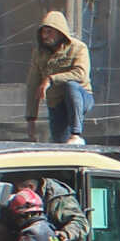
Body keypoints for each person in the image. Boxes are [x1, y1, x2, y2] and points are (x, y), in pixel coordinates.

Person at [26, 9, 93, 146]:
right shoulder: (39, 54)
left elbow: (81, 74)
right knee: (60, 144)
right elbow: (33, 85)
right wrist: (31, 120)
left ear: (60, 31)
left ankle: (76, 134)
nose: (45, 36)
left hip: (81, 97)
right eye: (43, 32)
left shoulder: (78, 48)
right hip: (56, 103)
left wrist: (50, 79)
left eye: (49, 31)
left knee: (71, 86)